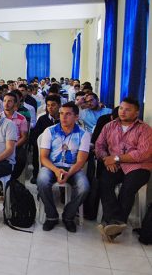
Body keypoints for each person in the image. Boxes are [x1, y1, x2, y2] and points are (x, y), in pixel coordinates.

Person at [95, 98, 152, 241]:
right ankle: (115, 222)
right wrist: (106, 159)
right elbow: (99, 146)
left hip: (139, 167)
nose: (123, 112)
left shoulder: (144, 129)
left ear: (136, 112)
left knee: (128, 188)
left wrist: (116, 158)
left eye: (128, 109)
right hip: (114, 165)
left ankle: (113, 226)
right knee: (104, 182)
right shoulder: (109, 126)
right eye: (121, 108)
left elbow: (143, 153)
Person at [37, 102, 90, 232]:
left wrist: (68, 174)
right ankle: (51, 216)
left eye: (68, 114)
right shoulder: (50, 131)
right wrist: (56, 171)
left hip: (73, 168)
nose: (63, 117)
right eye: (61, 113)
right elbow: (43, 157)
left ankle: (68, 216)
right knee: (42, 181)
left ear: (76, 117)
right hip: (52, 166)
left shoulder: (83, 134)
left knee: (84, 187)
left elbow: (81, 161)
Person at [29, 95, 61, 184]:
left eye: (53, 105)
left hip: (59, 148)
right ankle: (36, 174)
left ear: (59, 106)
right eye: (48, 105)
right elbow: (35, 136)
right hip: (44, 148)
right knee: (37, 147)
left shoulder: (63, 120)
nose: (50, 108)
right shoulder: (42, 119)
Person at [0, 92, 28, 180]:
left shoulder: (21, 118)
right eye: (4, 101)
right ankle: (2, 182)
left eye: (9, 101)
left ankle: (11, 181)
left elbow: (24, 137)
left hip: (16, 145)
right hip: (0, 145)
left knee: (21, 158)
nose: (6, 104)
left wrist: (13, 147)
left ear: (15, 103)